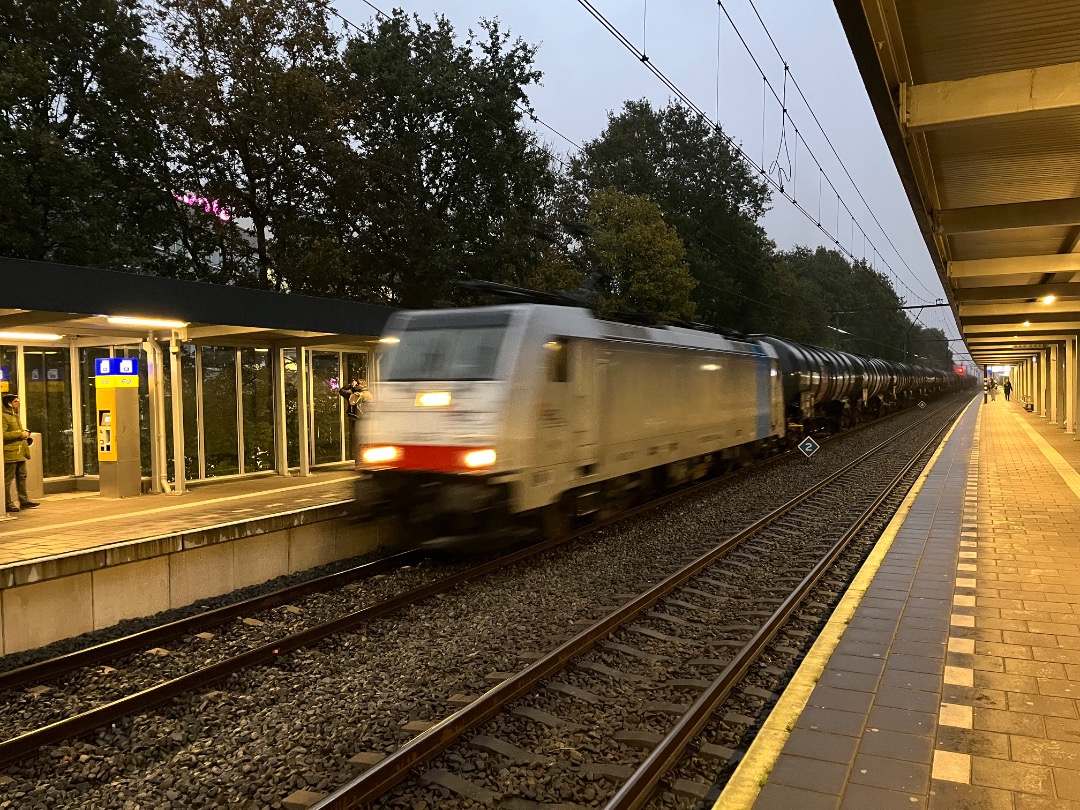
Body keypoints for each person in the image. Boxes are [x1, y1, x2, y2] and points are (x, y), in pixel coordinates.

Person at [2, 393, 39, 513]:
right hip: (10, 452)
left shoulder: (14, 415)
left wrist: (24, 431)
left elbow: (16, 430)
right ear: (9, 403)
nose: (18, 403)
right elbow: (3, 434)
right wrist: (19, 433)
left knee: (22, 476)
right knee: (8, 480)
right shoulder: (4, 417)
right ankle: (7, 503)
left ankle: (24, 501)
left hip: (20, 451)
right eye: (15, 401)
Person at [338, 379, 373, 460]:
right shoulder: (368, 394)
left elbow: (341, 391)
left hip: (356, 419)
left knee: (357, 440)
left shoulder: (353, 394)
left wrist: (350, 385)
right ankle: (366, 459)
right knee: (366, 440)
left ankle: (358, 460)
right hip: (367, 420)